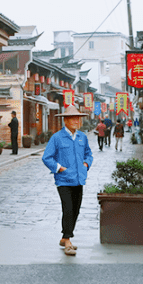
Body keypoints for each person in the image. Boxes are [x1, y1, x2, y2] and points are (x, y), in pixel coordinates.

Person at [42, 105, 93, 256]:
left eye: (78, 118)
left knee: (76, 209)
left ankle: (64, 237)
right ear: (65, 120)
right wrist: (60, 168)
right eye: (73, 118)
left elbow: (89, 154)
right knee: (68, 208)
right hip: (63, 180)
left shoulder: (82, 137)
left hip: (79, 179)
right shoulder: (57, 138)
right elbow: (47, 157)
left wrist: (85, 164)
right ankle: (68, 242)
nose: (76, 121)